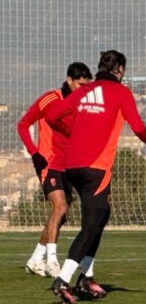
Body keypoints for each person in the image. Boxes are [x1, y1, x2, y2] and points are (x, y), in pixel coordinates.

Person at [44, 50, 146, 304]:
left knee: (101, 214)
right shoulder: (121, 93)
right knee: (91, 224)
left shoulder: (82, 91)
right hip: (96, 167)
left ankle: (87, 277)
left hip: (72, 165)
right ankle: (64, 279)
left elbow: (52, 116)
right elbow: (139, 127)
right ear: (119, 70)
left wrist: (72, 131)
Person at [16, 62, 93, 277]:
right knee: (59, 207)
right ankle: (52, 262)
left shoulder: (83, 104)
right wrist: (34, 152)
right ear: (69, 79)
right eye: (80, 84)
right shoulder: (50, 99)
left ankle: (35, 259)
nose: (83, 89)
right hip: (48, 162)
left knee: (63, 214)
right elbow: (23, 125)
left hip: (69, 164)